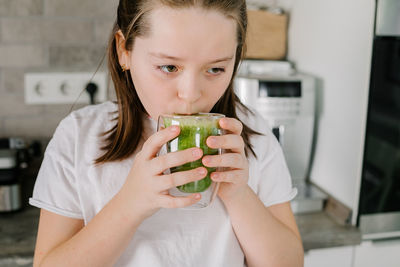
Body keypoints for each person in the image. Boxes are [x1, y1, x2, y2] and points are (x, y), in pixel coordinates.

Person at [29, 0, 304, 266]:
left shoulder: (252, 137)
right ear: (124, 50)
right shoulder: (78, 137)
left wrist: (239, 194)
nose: (190, 95)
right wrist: (130, 204)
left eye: (215, 69)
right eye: (169, 67)